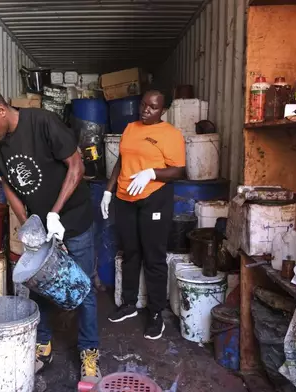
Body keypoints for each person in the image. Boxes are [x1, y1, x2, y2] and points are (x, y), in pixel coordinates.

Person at [0, 86, 101, 384]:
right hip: (41, 223)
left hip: (74, 219)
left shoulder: (42, 123)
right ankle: (43, 344)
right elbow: (8, 186)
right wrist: (30, 225)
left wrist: (55, 214)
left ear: (1, 110)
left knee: (81, 286)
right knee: (40, 286)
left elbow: (76, 166)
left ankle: (89, 351)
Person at [101, 90, 186, 340]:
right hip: (125, 199)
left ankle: (156, 313)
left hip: (154, 199)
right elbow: (121, 161)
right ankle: (129, 304)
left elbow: (179, 171)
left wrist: (151, 173)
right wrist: (109, 190)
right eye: (143, 105)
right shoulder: (130, 128)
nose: (146, 110)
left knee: (154, 256)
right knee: (130, 252)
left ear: (163, 110)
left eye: (153, 107)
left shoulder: (171, 134)